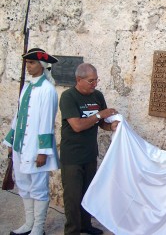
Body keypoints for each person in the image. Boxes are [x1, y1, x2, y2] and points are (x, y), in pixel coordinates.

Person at [3, 48, 59, 235]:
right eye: (27, 63)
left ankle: (38, 228)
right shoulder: (27, 86)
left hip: (36, 149)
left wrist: (43, 151)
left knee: (38, 188)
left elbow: (46, 121)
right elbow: (18, 116)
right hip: (21, 146)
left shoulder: (47, 90)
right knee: (24, 185)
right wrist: (11, 143)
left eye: (32, 63)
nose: (28, 66)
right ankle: (28, 224)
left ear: (42, 65)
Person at [59, 63, 119, 235]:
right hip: (72, 157)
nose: (95, 84)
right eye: (91, 81)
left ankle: (86, 225)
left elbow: (101, 123)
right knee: (73, 197)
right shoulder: (68, 97)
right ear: (79, 80)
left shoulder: (97, 96)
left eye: (96, 80)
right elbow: (77, 125)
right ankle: (72, 231)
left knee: (88, 193)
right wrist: (101, 114)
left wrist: (112, 126)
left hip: (90, 154)